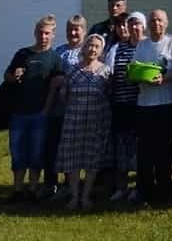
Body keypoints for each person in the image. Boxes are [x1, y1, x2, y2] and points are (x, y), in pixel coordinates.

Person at [4, 15, 65, 201]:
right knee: (18, 151)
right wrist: (14, 76)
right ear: (35, 32)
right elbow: (7, 77)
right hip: (19, 111)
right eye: (40, 32)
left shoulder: (55, 58)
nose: (43, 36)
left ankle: (32, 189)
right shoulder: (22, 54)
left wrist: (47, 109)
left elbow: (56, 86)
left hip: (41, 113)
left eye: (47, 33)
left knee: (37, 153)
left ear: (53, 35)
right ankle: (17, 189)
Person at [132, 9, 172, 205]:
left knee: (164, 150)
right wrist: (140, 76)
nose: (156, 23)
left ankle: (164, 191)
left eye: (160, 20)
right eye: (153, 20)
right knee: (145, 150)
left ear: (166, 22)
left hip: (167, 103)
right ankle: (144, 192)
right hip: (145, 104)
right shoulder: (142, 45)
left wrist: (164, 78)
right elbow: (134, 69)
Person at [54, 34, 112, 210]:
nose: (92, 49)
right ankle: (74, 196)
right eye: (90, 45)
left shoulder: (106, 71)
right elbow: (64, 96)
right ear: (84, 48)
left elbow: (110, 96)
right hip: (74, 120)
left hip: (96, 121)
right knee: (73, 160)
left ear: (101, 50)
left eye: (96, 46)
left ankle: (86, 196)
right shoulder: (72, 70)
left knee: (92, 160)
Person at [44, 14, 87, 200]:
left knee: (71, 148)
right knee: (53, 145)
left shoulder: (88, 51)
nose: (73, 33)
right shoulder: (59, 51)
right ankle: (50, 184)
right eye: (70, 29)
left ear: (84, 31)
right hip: (57, 107)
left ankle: (70, 184)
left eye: (77, 29)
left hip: (77, 107)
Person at [103, 12, 138, 201]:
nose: (123, 29)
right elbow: (109, 74)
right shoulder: (115, 49)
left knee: (137, 146)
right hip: (119, 104)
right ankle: (121, 186)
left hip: (138, 104)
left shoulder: (142, 46)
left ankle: (137, 185)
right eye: (119, 26)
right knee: (120, 146)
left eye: (126, 25)